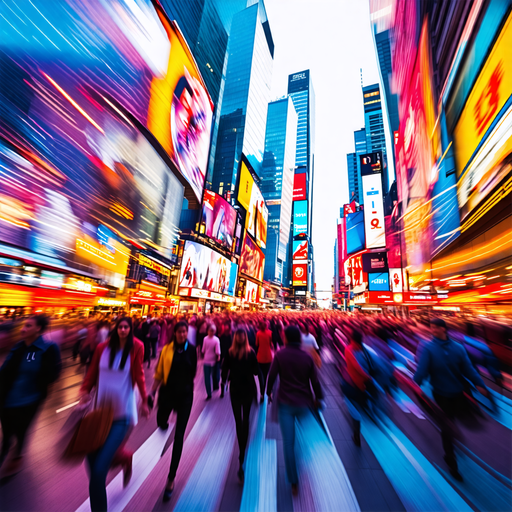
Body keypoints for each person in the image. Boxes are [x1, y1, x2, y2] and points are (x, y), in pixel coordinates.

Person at [79, 317, 149, 512]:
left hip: (122, 416)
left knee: (99, 471)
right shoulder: (102, 348)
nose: (123, 330)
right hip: (99, 414)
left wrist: (144, 400)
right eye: (120, 327)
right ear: (115, 329)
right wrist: (84, 391)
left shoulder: (137, 347)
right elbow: (92, 373)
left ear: (131, 329)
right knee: (92, 466)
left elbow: (139, 374)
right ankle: (124, 458)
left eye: (127, 327)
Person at [414, 317, 489, 481]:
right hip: (441, 395)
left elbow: (468, 368)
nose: (432, 330)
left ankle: (452, 442)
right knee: (447, 428)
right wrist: (415, 384)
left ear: (443, 329)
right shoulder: (428, 349)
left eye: (435, 328)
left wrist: (479, 384)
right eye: (431, 328)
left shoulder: (458, 348)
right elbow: (421, 371)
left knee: (456, 423)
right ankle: (451, 461)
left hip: (458, 393)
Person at [0, 315, 61, 473]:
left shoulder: (48, 348)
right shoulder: (18, 347)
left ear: (38, 329)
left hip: (31, 400)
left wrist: (43, 379)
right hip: (8, 399)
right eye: (23, 325)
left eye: (28, 326)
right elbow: (4, 371)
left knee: (21, 430)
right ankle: (9, 450)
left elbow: (54, 373)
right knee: (7, 432)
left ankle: (17, 454)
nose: (23, 329)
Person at [267, 325, 323, 495]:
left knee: (288, 443)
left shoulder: (280, 354)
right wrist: (318, 398)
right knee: (307, 440)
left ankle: (293, 481)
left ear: (285, 338)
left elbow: (272, 375)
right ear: (298, 338)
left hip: (285, 403)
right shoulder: (307, 356)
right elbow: (315, 381)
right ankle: (306, 464)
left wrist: (268, 392)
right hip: (304, 403)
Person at [149, 321, 197, 502]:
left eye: (185, 332)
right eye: (179, 332)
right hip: (167, 394)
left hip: (185, 396)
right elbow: (159, 373)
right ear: (174, 333)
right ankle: (163, 422)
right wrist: (152, 392)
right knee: (161, 419)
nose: (182, 334)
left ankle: (171, 478)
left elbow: (193, 372)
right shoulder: (166, 350)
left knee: (179, 437)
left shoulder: (192, 350)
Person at [221, 328, 259, 483]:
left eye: (242, 336)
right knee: (242, 420)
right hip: (242, 389)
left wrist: (225, 380)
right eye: (240, 336)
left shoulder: (234, 353)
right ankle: (243, 450)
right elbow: (256, 371)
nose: (241, 338)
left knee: (242, 420)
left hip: (240, 389)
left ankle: (242, 452)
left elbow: (224, 369)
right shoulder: (248, 353)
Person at [255, 320, 273, 403]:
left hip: (260, 356)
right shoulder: (270, 333)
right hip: (268, 356)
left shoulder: (258, 333)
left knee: (260, 376)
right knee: (266, 375)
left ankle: (262, 393)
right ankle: (266, 392)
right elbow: (271, 343)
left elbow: (256, 344)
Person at [201, 323, 221, 400]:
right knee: (215, 375)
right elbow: (217, 351)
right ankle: (215, 386)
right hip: (213, 360)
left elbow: (203, 349)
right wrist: (218, 357)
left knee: (207, 377)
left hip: (206, 360)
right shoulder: (216, 339)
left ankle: (209, 393)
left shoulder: (205, 339)